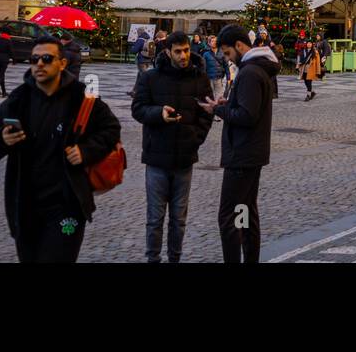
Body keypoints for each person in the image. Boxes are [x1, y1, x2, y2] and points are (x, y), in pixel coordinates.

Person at [0, 35, 121, 263]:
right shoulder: (18, 100)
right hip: (26, 205)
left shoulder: (82, 97)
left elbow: (111, 129)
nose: (39, 65)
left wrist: (86, 151)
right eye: (34, 59)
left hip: (66, 205)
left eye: (47, 58)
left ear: (62, 63)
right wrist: (2, 139)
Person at [197, 24, 279, 264]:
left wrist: (219, 108)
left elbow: (247, 116)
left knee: (229, 215)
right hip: (251, 152)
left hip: (243, 154)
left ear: (240, 46)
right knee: (244, 211)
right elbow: (246, 108)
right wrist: (229, 103)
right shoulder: (255, 68)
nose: (226, 58)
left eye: (228, 52)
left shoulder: (251, 72)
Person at [131, 32, 213, 263]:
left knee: (179, 218)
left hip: (185, 157)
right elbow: (137, 109)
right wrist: (158, 113)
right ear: (167, 52)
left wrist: (195, 138)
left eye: (186, 50)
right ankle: (153, 259)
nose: (184, 55)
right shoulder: (150, 78)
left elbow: (206, 114)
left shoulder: (200, 79)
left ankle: (175, 259)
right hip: (156, 157)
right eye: (178, 51)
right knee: (155, 218)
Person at [298, 36, 322, 101]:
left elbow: (317, 62)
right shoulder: (303, 51)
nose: (309, 44)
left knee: (309, 82)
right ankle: (312, 92)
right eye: (308, 43)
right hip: (304, 68)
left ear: (312, 44)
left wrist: (318, 70)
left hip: (311, 68)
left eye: (310, 43)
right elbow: (300, 59)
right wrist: (298, 65)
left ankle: (308, 95)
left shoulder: (315, 52)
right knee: (305, 81)